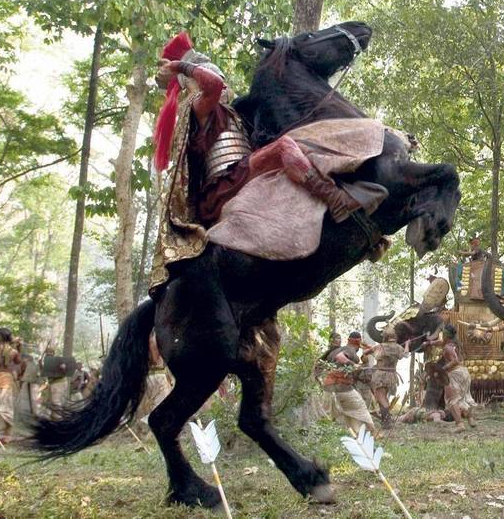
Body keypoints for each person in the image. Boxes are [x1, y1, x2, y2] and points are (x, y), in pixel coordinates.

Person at [150, 32, 374, 291]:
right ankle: (336, 201)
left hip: (244, 175)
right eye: (212, 75)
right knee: (284, 148)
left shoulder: (232, 113)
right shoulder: (199, 106)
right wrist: (182, 66)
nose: (223, 83)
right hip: (224, 185)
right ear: (193, 83)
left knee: (300, 152)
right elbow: (213, 85)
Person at [316, 331, 375, 436]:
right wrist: (353, 364)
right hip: (342, 388)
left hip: (328, 389)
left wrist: (365, 352)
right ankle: (366, 435)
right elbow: (340, 357)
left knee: (334, 416)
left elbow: (318, 366)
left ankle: (352, 435)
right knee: (361, 412)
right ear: (357, 342)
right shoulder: (349, 350)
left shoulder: (335, 351)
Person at [437, 324, 476, 431]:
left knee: (451, 400)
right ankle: (470, 418)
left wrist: (442, 369)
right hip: (464, 372)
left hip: (455, 374)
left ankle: (460, 424)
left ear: (446, 335)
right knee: (462, 398)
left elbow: (455, 360)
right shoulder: (456, 344)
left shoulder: (448, 347)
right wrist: (429, 342)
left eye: (442, 334)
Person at [365, 328, 406, 426]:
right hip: (392, 375)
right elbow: (405, 355)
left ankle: (387, 420)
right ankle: (385, 420)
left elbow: (366, 352)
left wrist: (371, 349)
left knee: (381, 397)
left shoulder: (380, 347)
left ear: (385, 337)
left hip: (381, 375)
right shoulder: (399, 347)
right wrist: (407, 345)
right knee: (383, 397)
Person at [134, 333, 173, 432]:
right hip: (157, 376)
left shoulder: (139, 342)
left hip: (147, 377)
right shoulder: (157, 341)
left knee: (147, 407)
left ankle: (147, 429)